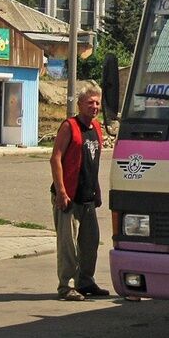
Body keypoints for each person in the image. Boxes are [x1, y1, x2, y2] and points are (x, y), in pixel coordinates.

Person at [50, 82, 109, 301]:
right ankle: (65, 287)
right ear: (80, 104)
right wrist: (61, 191)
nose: (94, 107)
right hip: (69, 197)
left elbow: (93, 162)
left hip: (88, 198)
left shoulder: (97, 129)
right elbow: (55, 158)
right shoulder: (69, 126)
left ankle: (86, 282)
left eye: (97, 103)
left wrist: (98, 190)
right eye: (90, 103)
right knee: (68, 246)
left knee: (90, 242)